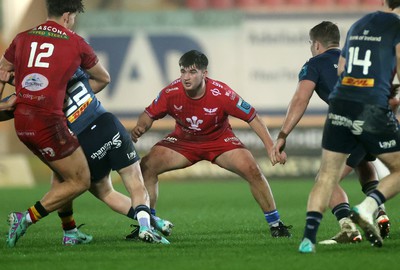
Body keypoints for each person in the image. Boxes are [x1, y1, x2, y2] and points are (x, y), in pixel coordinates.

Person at [130, 50, 292, 238]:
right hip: (184, 142)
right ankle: (148, 223)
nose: (186, 77)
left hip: (219, 141)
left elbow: (252, 117)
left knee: (252, 169)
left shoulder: (222, 93)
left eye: (192, 72)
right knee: (146, 166)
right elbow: (148, 114)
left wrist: (271, 146)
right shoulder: (171, 92)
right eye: (182, 72)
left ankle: (276, 224)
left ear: (204, 74)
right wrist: (140, 127)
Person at [0, 68, 172, 245]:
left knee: (99, 190)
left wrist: (6, 91)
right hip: (107, 124)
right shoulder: (71, 70)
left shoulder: (28, 98)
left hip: (82, 141)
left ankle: (58, 228)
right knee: (135, 182)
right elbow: (104, 78)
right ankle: (147, 224)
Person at [271, 21, 390, 245]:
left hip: (352, 123)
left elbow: (300, 99)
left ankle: (348, 226)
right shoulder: (354, 58)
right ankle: (380, 211)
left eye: (310, 43)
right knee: (362, 162)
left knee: (325, 180)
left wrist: (283, 134)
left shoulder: (315, 63)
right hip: (379, 119)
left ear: (316, 44)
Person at [296, 1, 400, 253]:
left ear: (383, 3)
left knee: (327, 175)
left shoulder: (358, 24)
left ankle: (308, 239)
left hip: (340, 104)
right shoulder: (397, 27)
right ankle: (368, 208)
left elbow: (343, 70)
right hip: (370, 106)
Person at [1, 0, 106, 248]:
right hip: (48, 122)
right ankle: (25, 218)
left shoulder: (22, 38)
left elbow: (3, 71)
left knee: (62, 174)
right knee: (80, 180)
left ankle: (69, 231)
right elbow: (103, 78)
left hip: (22, 120)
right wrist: (72, 98)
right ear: (68, 16)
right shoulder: (76, 42)